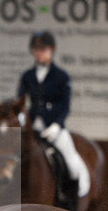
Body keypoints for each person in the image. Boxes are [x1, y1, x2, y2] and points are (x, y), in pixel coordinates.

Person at [17, 31, 90, 202]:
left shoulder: (61, 76)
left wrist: (57, 125)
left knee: (72, 165)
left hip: (55, 129)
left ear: (52, 50)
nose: (39, 53)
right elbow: (19, 103)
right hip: (32, 129)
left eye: (43, 49)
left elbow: (65, 106)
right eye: (36, 50)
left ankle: (69, 201)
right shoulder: (27, 76)